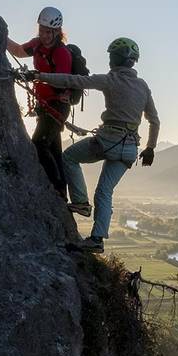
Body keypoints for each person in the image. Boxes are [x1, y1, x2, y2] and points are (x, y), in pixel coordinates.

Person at [25, 37, 158, 253]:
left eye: (111, 56)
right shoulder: (143, 86)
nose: (109, 60)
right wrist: (150, 147)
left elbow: (74, 81)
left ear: (117, 59)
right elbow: (154, 120)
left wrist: (39, 76)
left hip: (107, 141)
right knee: (105, 192)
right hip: (130, 148)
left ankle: (80, 202)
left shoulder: (110, 80)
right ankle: (97, 240)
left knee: (69, 157)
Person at [6, 7, 73, 198]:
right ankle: (61, 192)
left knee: (39, 144)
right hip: (45, 105)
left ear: (57, 32)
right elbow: (18, 51)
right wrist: (2, 36)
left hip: (58, 105)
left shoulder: (61, 53)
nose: (44, 35)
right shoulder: (37, 45)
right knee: (54, 149)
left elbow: (61, 81)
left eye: (48, 32)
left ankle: (56, 189)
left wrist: (36, 76)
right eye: (42, 30)